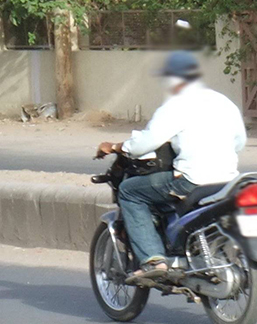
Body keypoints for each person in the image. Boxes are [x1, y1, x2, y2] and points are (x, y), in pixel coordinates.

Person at [94, 51, 247, 283]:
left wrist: (117, 146)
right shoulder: (223, 101)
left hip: (192, 178)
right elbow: (240, 142)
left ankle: (154, 261)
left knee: (130, 191)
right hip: (227, 177)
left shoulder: (176, 105)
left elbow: (147, 142)